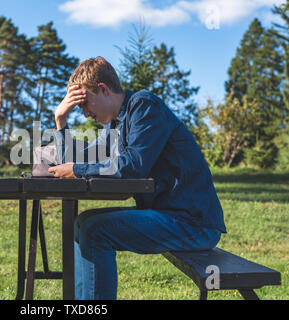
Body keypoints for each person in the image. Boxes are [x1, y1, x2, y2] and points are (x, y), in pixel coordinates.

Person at [48, 56, 227, 300]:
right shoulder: (114, 125)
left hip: (192, 224)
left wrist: (78, 170)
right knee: (83, 223)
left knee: (93, 230)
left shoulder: (144, 106)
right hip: (170, 216)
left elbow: (133, 167)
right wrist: (61, 121)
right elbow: (78, 161)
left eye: (85, 104)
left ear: (103, 90)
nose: (85, 112)